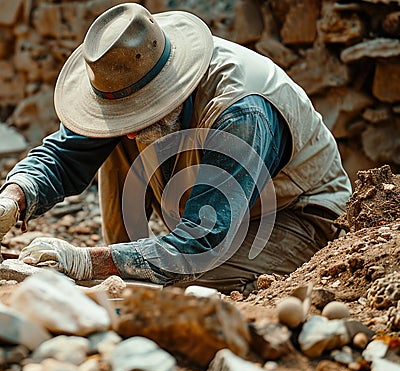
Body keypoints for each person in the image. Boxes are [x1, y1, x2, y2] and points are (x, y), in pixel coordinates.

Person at [0, 3, 351, 294]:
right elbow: (63, 154)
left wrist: (84, 261)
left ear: (169, 87)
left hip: (295, 214)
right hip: (212, 198)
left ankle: (116, 269)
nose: (129, 133)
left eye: (139, 112)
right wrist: (13, 198)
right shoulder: (128, 72)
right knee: (120, 136)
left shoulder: (241, 113)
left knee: (180, 284)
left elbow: (202, 243)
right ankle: (123, 261)